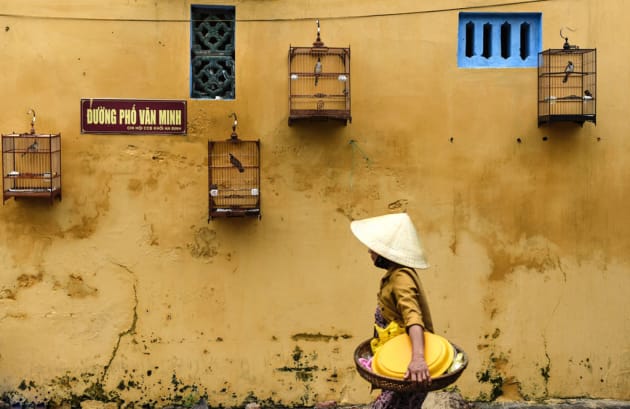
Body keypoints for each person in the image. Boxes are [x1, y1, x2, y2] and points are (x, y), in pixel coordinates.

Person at [350, 212, 434, 409]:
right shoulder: (395, 275)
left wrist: (418, 360)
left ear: (386, 251)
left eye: (374, 247)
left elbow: (413, 317)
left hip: (408, 368)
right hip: (398, 361)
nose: (369, 251)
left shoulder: (400, 278)